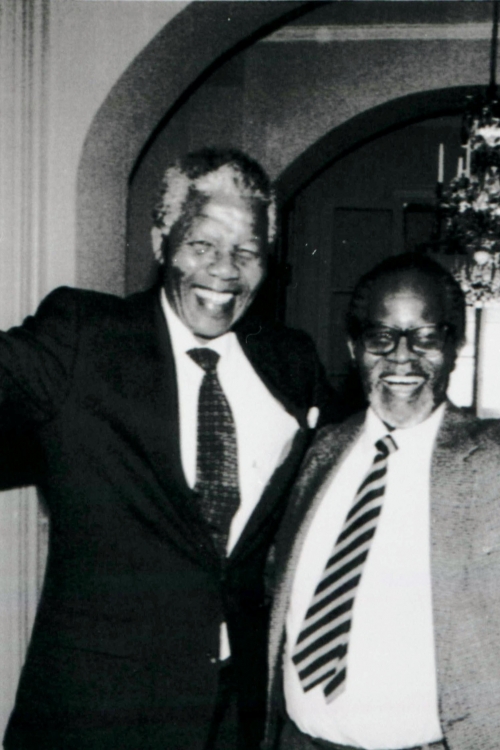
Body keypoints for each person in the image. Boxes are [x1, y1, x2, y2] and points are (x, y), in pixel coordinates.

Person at [2, 149, 342, 750]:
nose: (225, 271)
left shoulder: (291, 362)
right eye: (202, 245)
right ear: (162, 239)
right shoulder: (83, 336)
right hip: (97, 715)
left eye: (247, 252)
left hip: (234, 715)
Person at [264, 253, 500, 750]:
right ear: (355, 348)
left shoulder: (491, 462)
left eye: (425, 337)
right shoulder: (319, 452)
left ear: (455, 346)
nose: (401, 357)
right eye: (381, 336)